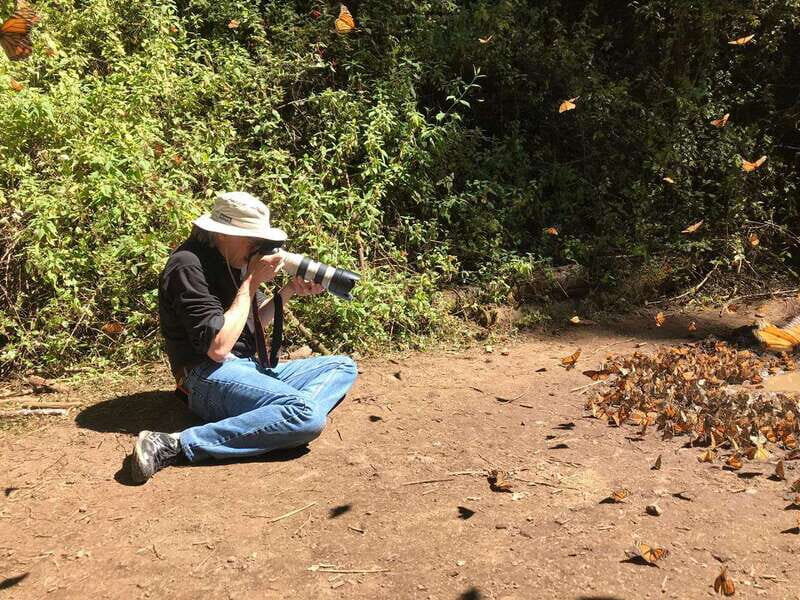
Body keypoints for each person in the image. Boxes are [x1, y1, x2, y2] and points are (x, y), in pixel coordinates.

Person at [130, 191, 358, 484]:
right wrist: (251, 282)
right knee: (308, 416)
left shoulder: (232, 259)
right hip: (204, 376)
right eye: (252, 240)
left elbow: (252, 321)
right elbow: (218, 347)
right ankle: (174, 443)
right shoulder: (187, 265)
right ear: (223, 234)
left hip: (246, 367)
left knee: (342, 366)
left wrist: (287, 291)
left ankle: (274, 417)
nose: (257, 247)